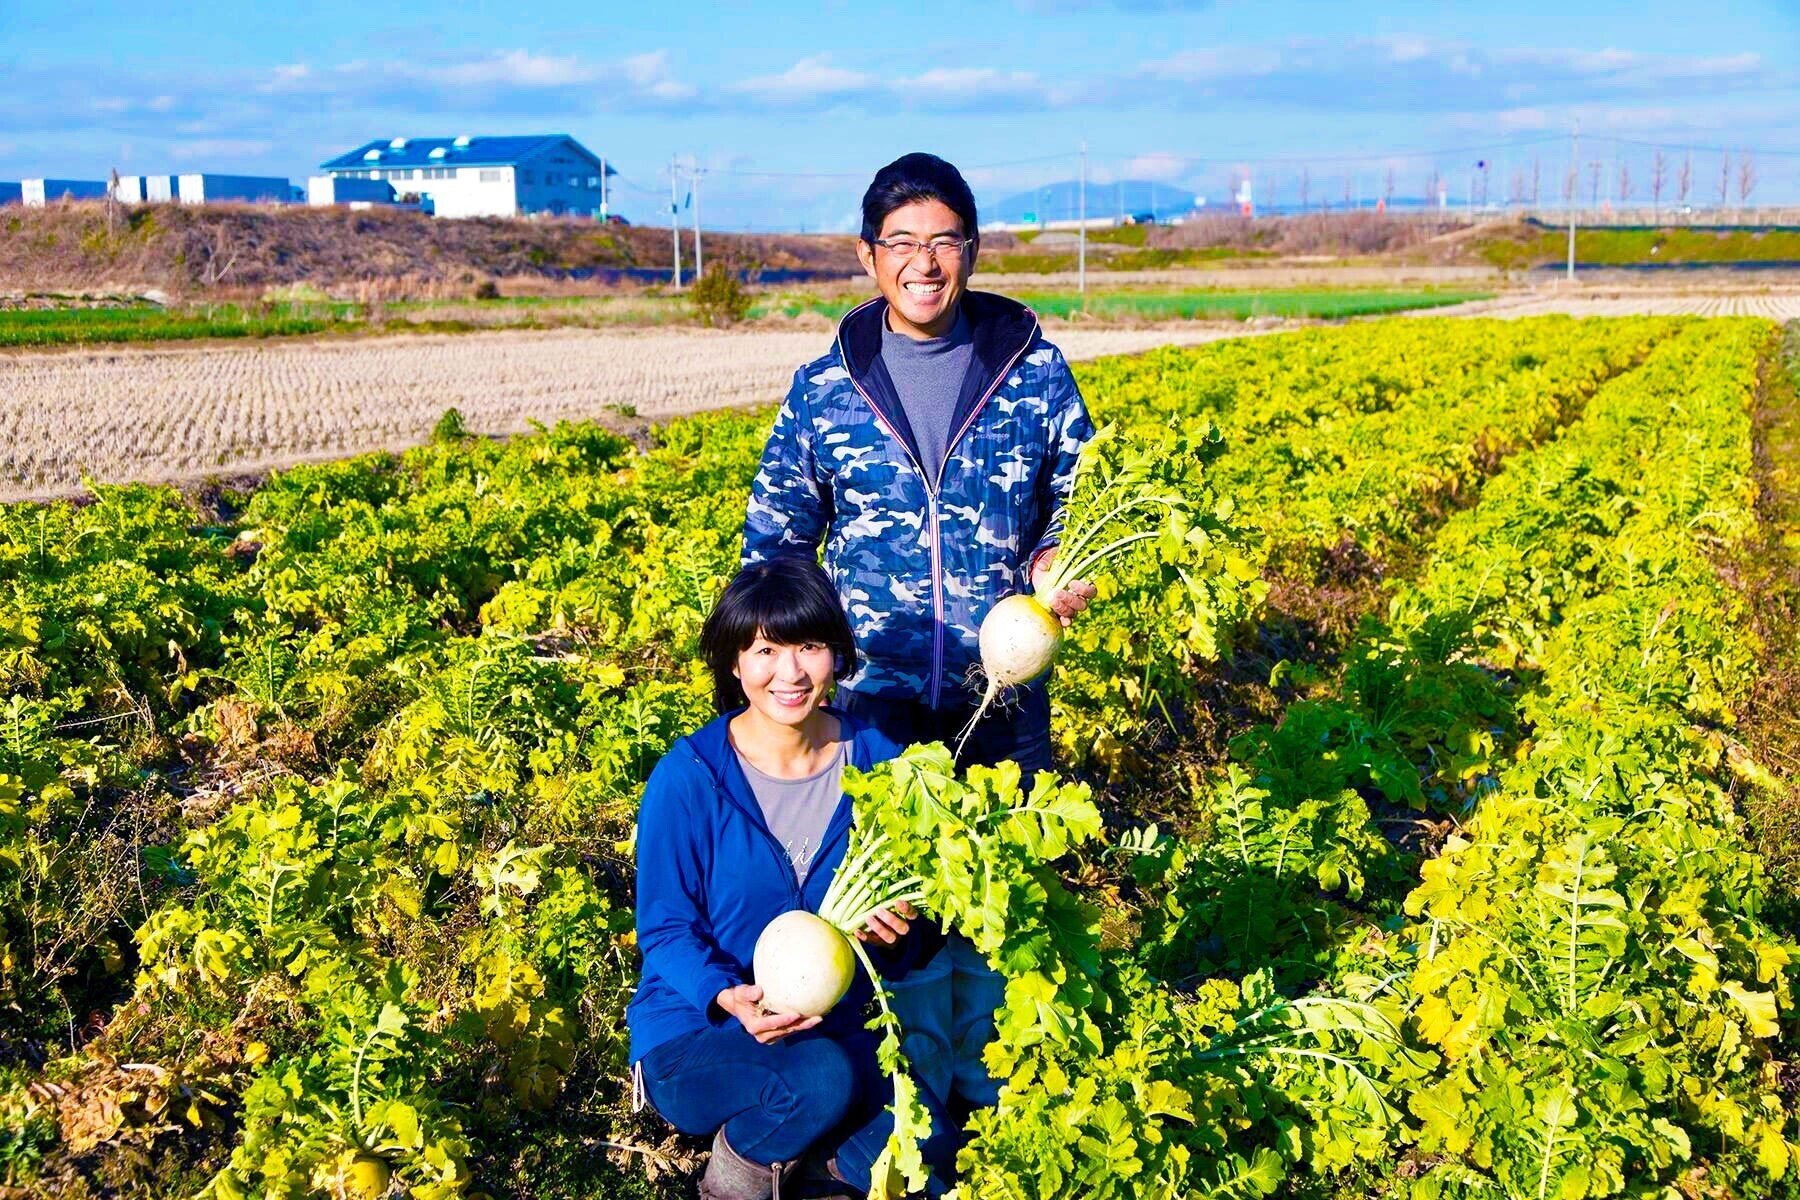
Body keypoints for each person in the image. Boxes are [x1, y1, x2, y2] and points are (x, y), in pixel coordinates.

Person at [740, 153, 1097, 1127]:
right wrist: (792, 670)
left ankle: (991, 1095)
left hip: (1006, 691)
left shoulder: (1034, 374)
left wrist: (1061, 563)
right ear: (869, 256)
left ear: (971, 250)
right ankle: (901, 1101)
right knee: (889, 910)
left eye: (943, 240)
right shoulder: (826, 389)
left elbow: (1079, 493)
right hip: (875, 703)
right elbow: (774, 544)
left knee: (1003, 890)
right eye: (902, 242)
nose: (924, 262)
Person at [627, 558, 955, 1200]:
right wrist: (724, 996)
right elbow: (664, 931)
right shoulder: (691, 776)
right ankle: (735, 1178)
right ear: (735, 663)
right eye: (766, 650)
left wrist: (897, 937)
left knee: (933, 1152)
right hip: (699, 1030)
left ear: (836, 653)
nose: (791, 672)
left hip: (832, 1019)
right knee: (819, 1080)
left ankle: (819, 1172)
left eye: (810, 646)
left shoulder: (881, 761)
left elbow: (917, 917)